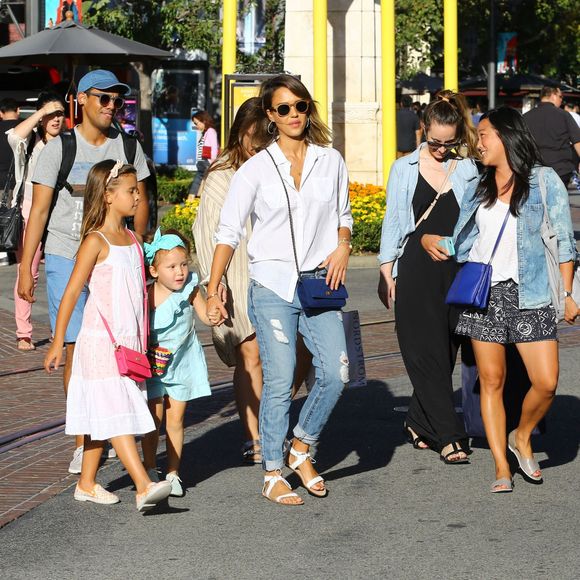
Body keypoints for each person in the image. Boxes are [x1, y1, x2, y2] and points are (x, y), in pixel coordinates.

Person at [207, 74, 353, 505]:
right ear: (270, 115)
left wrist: (343, 245)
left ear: (309, 109)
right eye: (284, 108)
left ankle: (301, 445)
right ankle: (273, 470)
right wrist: (213, 288)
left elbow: (343, 214)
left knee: (336, 373)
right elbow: (229, 232)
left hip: (320, 283)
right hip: (271, 286)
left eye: (300, 106)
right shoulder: (254, 169)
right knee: (281, 377)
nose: (293, 115)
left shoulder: (331, 161)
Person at [18, 69, 150, 474]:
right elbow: (39, 209)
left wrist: (137, 248)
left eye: (117, 101)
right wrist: (27, 266)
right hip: (64, 255)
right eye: (103, 99)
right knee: (77, 346)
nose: (111, 107)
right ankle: (83, 439)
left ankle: (116, 426)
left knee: (118, 344)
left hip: (114, 258)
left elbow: (141, 200)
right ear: (81, 100)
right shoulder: (59, 148)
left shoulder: (128, 144)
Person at [452, 107, 577, 493]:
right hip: (485, 294)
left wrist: (569, 293)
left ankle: (520, 436)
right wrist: (430, 241)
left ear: (506, 135)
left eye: (484, 133)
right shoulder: (479, 184)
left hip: (532, 293)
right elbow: (467, 240)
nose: (479, 141)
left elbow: (564, 240)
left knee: (546, 382)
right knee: (491, 381)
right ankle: (501, 467)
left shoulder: (542, 181)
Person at [44, 160, 172, 511]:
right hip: (100, 341)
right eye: (131, 191)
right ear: (108, 195)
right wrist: (58, 342)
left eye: (138, 191)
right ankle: (143, 485)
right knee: (115, 410)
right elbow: (71, 293)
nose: (138, 197)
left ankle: (86, 483)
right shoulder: (95, 241)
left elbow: (140, 291)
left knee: (102, 413)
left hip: (129, 344)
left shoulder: (132, 238)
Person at [193, 97, 312, 464]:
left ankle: (273, 415)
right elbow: (206, 234)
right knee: (253, 353)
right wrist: (214, 284)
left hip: (282, 272)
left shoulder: (282, 164)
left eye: (266, 138)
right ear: (241, 133)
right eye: (254, 138)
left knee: (300, 351)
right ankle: (256, 436)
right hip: (237, 273)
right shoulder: (221, 176)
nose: (259, 146)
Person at [378, 90, 480, 464]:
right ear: (423, 130)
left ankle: (417, 421)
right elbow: (394, 221)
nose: (440, 150)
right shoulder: (403, 168)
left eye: (448, 143)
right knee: (424, 352)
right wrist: (386, 271)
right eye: (434, 142)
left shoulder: (468, 169)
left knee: (448, 348)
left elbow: (475, 222)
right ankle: (449, 435)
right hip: (417, 269)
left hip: (458, 269)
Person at [141, 228, 212, 497]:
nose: (179, 271)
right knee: (153, 419)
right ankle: (149, 468)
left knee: (176, 419)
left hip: (182, 361)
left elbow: (206, 316)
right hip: (152, 365)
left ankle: (173, 473)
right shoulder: (146, 295)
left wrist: (216, 310)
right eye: (171, 266)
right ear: (155, 270)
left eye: (183, 264)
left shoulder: (190, 289)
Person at [8, 92, 66, 350]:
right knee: (27, 271)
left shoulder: (68, 143)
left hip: (60, 215)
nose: (56, 119)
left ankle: (60, 329)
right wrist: (42, 112)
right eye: (51, 114)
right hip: (30, 213)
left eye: (60, 113)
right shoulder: (30, 144)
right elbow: (13, 136)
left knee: (60, 273)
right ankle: (24, 332)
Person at [523, 86, 580, 187]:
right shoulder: (563, 115)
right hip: (560, 169)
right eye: (560, 96)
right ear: (553, 96)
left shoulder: (525, 117)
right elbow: (577, 141)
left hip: (533, 169)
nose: (561, 100)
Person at [0, 98, 21, 267]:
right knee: (18, 218)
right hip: (19, 182)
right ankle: (16, 250)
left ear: (1, 113)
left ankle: (3, 255)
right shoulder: (25, 129)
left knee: (2, 218)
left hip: (0, 183)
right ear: (18, 110)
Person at [189, 110, 219, 197]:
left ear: (204, 121)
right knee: (198, 188)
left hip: (206, 163)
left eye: (197, 123)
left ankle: (190, 205)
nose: (196, 126)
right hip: (202, 163)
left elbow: (214, 149)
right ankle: (191, 204)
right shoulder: (206, 133)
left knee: (198, 187)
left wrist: (211, 164)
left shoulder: (211, 131)